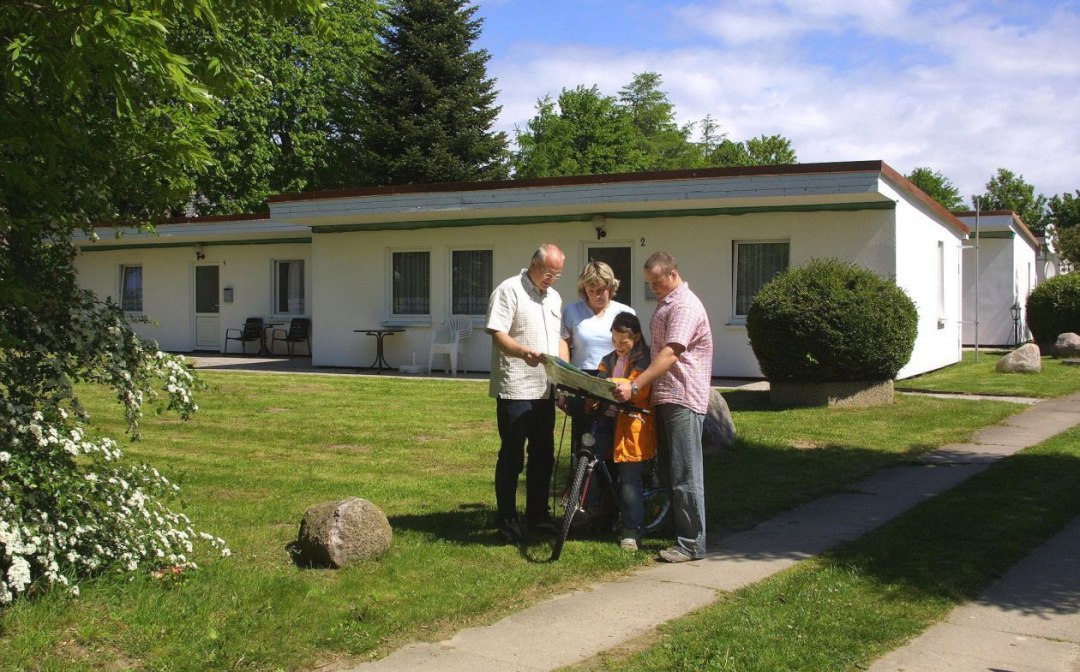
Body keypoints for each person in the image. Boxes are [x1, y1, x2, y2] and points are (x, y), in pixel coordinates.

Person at [613, 251, 712, 563]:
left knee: (685, 473)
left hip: (683, 397)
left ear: (673, 273)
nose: (653, 288)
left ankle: (692, 543)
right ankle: (681, 534)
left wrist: (638, 384)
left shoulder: (684, 305)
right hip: (667, 397)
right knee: (670, 472)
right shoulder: (668, 302)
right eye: (649, 283)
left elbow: (671, 353)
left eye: (656, 282)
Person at [486, 243, 570, 543]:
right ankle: (507, 518)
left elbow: (560, 337)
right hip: (516, 387)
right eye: (549, 272)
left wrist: (564, 371)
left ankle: (537, 514)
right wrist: (522, 352)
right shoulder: (509, 290)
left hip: (545, 388)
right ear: (534, 264)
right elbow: (497, 333)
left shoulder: (554, 298)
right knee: (512, 455)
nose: (552, 279)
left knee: (543, 455)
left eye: (557, 274)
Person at [594, 312, 656, 551]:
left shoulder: (644, 359)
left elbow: (637, 388)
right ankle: (603, 517)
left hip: (632, 426)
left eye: (624, 342)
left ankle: (631, 530)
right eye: (614, 341)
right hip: (608, 422)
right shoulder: (608, 359)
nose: (618, 347)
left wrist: (609, 383)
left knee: (630, 479)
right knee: (601, 470)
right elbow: (599, 383)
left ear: (637, 337)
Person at [559, 261, 634, 454]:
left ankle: (610, 482)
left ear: (611, 287)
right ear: (584, 289)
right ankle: (581, 483)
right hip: (582, 378)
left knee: (609, 438)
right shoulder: (571, 311)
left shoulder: (624, 312)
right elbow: (563, 344)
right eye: (591, 290)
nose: (597, 295)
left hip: (612, 379)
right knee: (582, 439)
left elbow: (632, 351)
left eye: (601, 290)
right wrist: (564, 383)